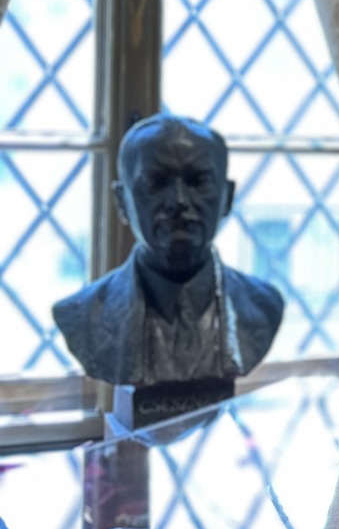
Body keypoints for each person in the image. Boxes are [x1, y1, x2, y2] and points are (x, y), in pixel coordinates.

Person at [52, 114, 284, 406]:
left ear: (227, 197)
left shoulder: (263, 305)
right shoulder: (83, 315)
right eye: (156, 182)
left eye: (198, 181)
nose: (178, 201)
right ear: (121, 201)